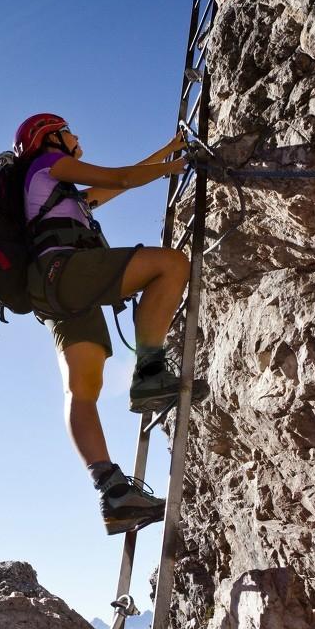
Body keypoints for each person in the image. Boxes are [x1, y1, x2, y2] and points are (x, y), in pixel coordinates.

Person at [15, 112, 199, 535]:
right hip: (69, 271)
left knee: (82, 390)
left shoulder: (59, 196)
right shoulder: (46, 165)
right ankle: (151, 372)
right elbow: (122, 178)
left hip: (52, 289)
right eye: (68, 130)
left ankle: (112, 491)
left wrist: (167, 153)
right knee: (171, 265)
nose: (76, 135)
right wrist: (178, 167)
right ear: (50, 137)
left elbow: (114, 186)